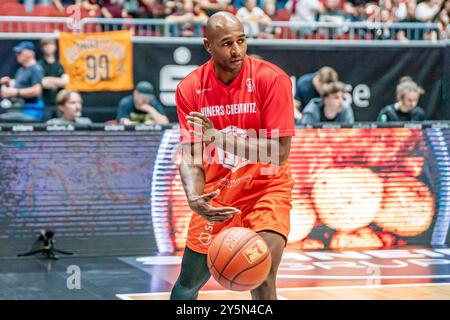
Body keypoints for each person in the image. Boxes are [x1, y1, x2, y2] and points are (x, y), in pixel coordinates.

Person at [170, 11, 295, 300]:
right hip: (218, 195)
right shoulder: (190, 88)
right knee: (186, 285)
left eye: (241, 40)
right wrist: (193, 197)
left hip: (266, 190)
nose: (236, 50)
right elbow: (190, 154)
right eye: (227, 43)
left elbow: (280, 152)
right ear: (208, 46)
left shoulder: (271, 79)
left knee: (261, 273)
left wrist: (218, 137)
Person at [0, 41, 45, 122]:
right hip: (19, 107)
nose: (17, 54)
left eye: (20, 52)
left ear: (30, 53)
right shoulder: (21, 70)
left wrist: (15, 92)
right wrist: (8, 85)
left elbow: (37, 90)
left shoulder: (36, 69)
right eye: (17, 52)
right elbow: (17, 88)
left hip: (31, 109)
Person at [38, 38, 69, 108]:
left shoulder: (59, 64)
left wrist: (49, 79)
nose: (49, 47)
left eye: (51, 44)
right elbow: (43, 83)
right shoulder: (39, 65)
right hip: (45, 102)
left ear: (55, 47)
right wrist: (58, 81)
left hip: (59, 103)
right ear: (42, 48)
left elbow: (65, 81)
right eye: (45, 45)